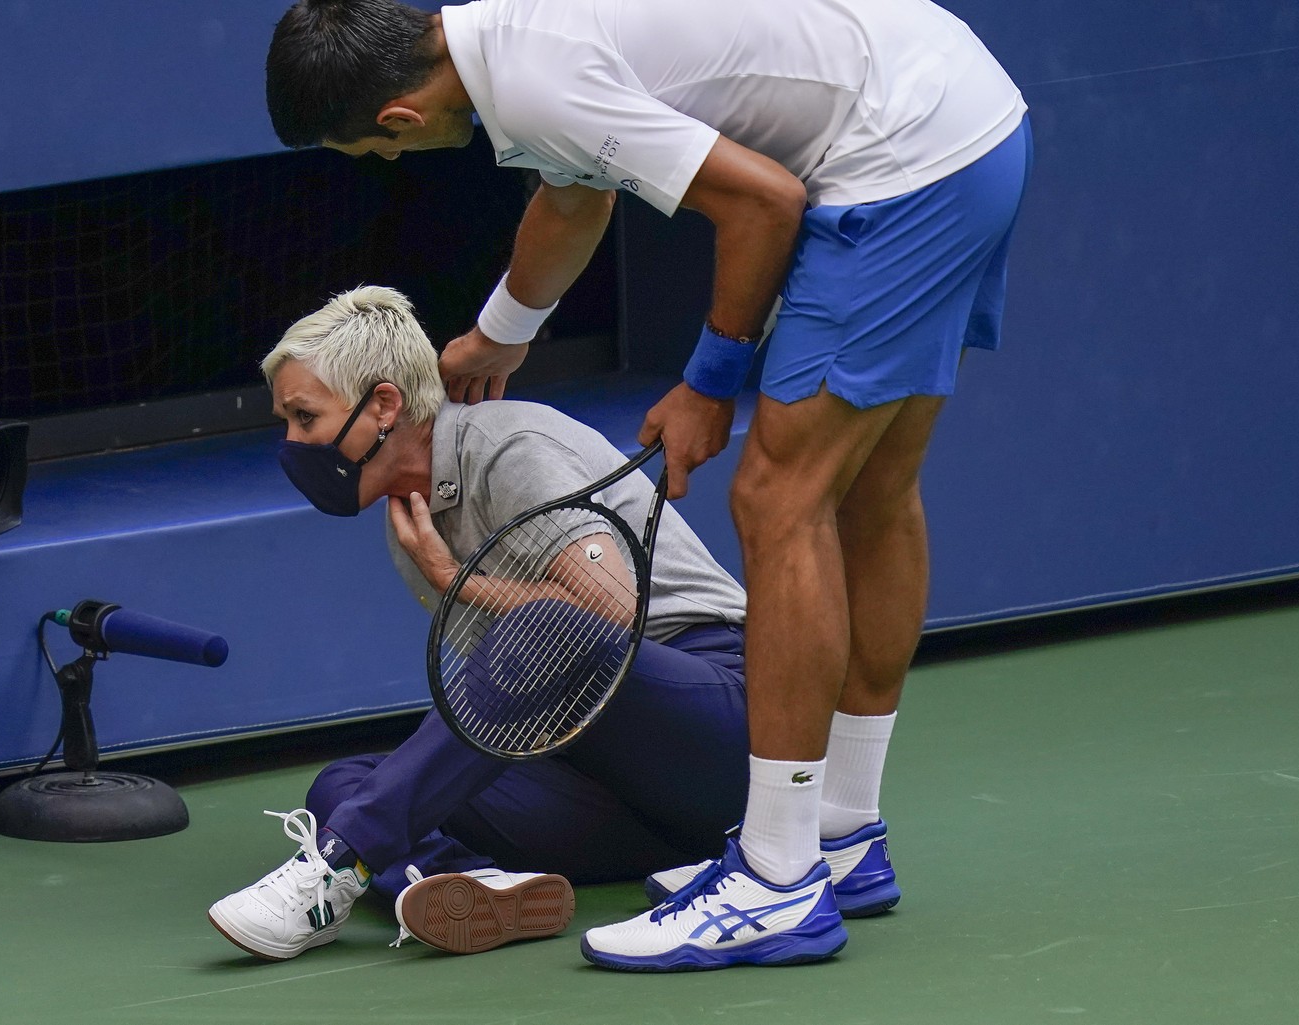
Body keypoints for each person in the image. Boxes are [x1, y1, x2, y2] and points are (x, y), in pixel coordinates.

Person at [265, 0, 1031, 971]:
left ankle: (779, 878)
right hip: (967, 121)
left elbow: (764, 202)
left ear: (400, 119)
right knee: (873, 491)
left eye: (374, 153)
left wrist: (710, 382)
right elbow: (575, 195)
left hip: (901, 157)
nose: (390, 164)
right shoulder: (506, 39)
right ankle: (841, 836)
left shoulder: (535, 79)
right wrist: (506, 327)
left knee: (777, 498)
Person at [208, 285, 779, 960]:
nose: (293, 444)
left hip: (724, 728)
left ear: (384, 405)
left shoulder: (511, 447)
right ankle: (470, 884)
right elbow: (504, 714)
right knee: (344, 782)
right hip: (622, 789)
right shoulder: (409, 515)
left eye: (305, 417)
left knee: (545, 627)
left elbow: (610, 616)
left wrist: (459, 583)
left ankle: (337, 864)